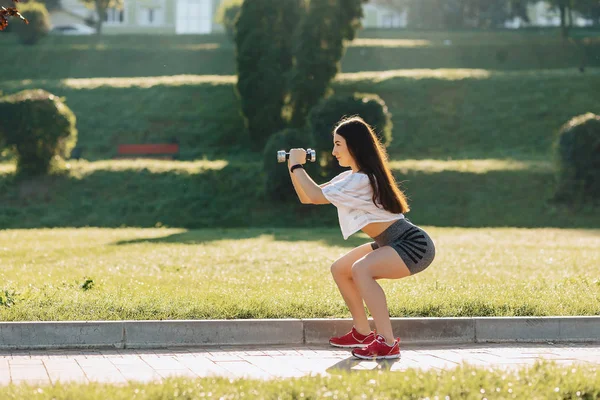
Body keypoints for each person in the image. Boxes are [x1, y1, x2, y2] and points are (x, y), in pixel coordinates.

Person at [287, 116, 435, 360]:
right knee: (340, 269)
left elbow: (313, 195)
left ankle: (388, 343)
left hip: (412, 244)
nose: (334, 151)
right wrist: (293, 168)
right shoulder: (348, 178)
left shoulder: (361, 180)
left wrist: (296, 165)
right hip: (391, 241)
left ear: (354, 146)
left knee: (361, 269)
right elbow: (307, 197)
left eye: (338, 144)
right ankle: (362, 332)